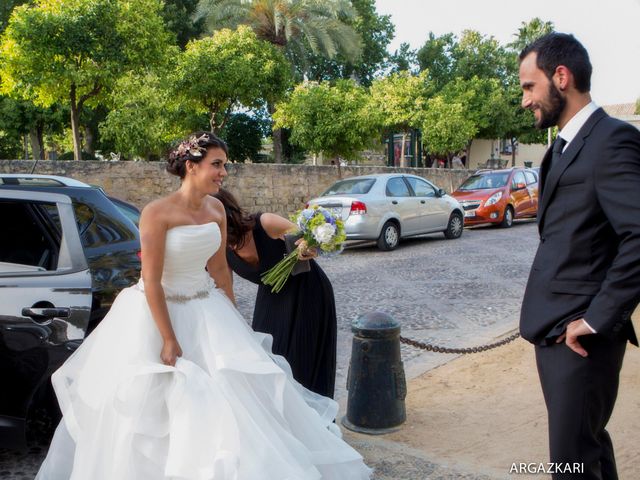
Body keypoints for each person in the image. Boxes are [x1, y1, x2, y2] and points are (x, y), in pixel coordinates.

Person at [36, 132, 371, 479]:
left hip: (206, 307)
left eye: (224, 165)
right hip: (156, 313)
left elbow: (220, 269)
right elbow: (151, 280)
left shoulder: (216, 210)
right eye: (216, 164)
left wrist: (232, 317)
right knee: (158, 409)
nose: (223, 172)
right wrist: (168, 338)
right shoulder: (156, 213)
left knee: (232, 400)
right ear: (191, 166)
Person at [518, 33, 640, 479]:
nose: (525, 99)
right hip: (554, 332)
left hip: (582, 339)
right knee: (585, 454)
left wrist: (595, 320)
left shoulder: (612, 140)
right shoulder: (563, 147)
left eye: (530, 87)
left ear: (561, 77)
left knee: (572, 464)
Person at [214, 188, 337, 398]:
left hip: (307, 293)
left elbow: (311, 244)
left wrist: (307, 247)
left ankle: (312, 426)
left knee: (303, 363)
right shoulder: (219, 246)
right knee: (269, 363)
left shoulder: (265, 223)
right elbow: (225, 288)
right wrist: (233, 327)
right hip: (270, 300)